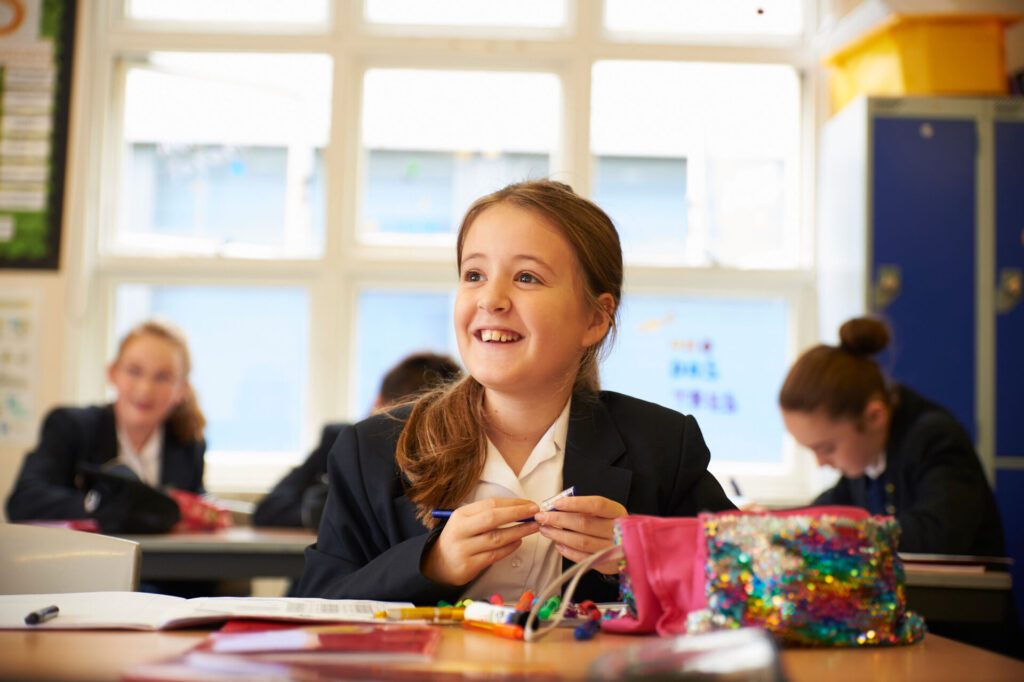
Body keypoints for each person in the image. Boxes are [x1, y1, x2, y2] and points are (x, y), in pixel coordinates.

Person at [296, 179, 734, 605]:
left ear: (595, 320)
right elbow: (311, 605)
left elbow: (760, 586)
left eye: (526, 277)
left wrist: (644, 555)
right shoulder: (371, 450)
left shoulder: (663, 447)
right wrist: (433, 564)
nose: (491, 299)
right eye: (474, 274)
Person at [778, 316, 1005, 556]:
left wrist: (837, 534)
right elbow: (830, 507)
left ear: (874, 417)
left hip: (958, 593)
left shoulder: (934, 439)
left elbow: (937, 535)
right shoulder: (864, 456)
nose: (821, 462)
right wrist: (773, 524)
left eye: (826, 448)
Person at [6, 318, 206, 522]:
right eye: (134, 371)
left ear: (182, 390)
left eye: (162, 377)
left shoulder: (188, 444)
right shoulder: (71, 427)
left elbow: (196, 506)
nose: (145, 389)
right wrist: (101, 505)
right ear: (112, 373)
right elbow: (24, 502)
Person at [252, 352, 463, 529]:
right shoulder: (342, 443)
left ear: (377, 402)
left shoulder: (458, 462)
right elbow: (269, 510)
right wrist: (328, 512)